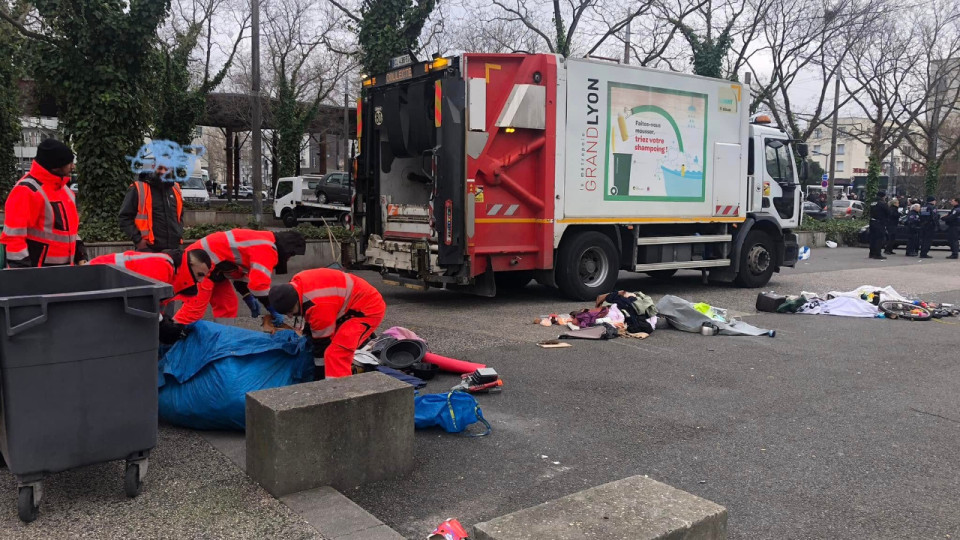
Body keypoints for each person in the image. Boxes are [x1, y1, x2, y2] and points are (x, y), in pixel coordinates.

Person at [172, 229, 306, 326]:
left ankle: (222, 340)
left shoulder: (265, 242)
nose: (288, 259)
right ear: (287, 250)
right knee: (193, 312)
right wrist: (272, 308)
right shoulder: (267, 249)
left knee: (228, 305)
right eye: (291, 255)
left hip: (213, 267)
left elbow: (239, 274)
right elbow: (259, 286)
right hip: (198, 266)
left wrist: (247, 295)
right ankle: (169, 343)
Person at [268, 268, 386, 379]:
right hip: (348, 303)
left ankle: (339, 393)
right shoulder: (296, 283)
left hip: (367, 309)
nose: (289, 316)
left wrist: (320, 378)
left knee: (336, 354)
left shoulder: (318, 306)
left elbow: (322, 345)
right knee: (329, 347)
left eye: (290, 311)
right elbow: (313, 320)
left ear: (296, 301)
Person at [89, 249, 214, 342]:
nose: (201, 281)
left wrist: (163, 322)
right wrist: (163, 325)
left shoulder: (169, 268)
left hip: (97, 283)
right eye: (200, 274)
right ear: (190, 265)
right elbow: (144, 301)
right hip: (92, 281)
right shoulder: (163, 267)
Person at [1, 139, 86, 268]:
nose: (73, 166)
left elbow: (70, 230)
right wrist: (22, 275)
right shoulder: (26, 191)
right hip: (38, 273)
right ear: (56, 166)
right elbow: (14, 238)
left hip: (64, 271)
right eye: (69, 163)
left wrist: (80, 253)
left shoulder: (65, 190)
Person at [118, 166, 184, 252]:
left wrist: (178, 233)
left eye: (167, 169)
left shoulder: (175, 189)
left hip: (174, 249)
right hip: (148, 249)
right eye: (160, 168)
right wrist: (138, 240)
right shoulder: (139, 188)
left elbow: (180, 215)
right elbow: (124, 217)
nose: (163, 172)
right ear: (153, 166)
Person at [868, 191, 889, 260]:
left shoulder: (873, 202)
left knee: (872, 238)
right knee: (879, 239)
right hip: (879, 223)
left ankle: (871, 253)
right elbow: (888, 212)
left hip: (872, 222)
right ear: (883, 196)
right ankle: (877, 254)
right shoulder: (882, 203)